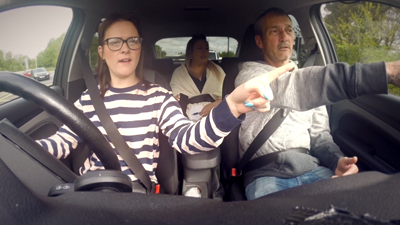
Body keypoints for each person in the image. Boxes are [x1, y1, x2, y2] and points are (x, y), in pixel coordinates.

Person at [35, 12, 399, 190]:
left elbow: (190, 138)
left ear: (140, 47)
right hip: (88, 194)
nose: (124, 48)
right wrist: (25, 149)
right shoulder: (86, 101)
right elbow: (57, 143)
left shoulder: (159, 96)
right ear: (101, 52)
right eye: (115, 42)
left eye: (132, 41)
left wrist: (231, 110)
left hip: (137, 198)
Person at [234, 7, 400, 200]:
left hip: (313, 170)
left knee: (363, 206)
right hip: (266, 175)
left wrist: (336, 161)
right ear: (259, 41)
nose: (284, 37)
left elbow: (320, 136)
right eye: (274, 31)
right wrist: (386, 71)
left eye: (289, 30)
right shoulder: (248, 76)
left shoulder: (309, 82)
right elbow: (295, 87)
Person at [170, 34, 225, 121]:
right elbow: (176, 100)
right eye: (199, 48)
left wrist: (214, 104)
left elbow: (228, 97)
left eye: (206, 48)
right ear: (191, 52)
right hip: (187, 120)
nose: (204, 51)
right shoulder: (179, 73)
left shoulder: (217, 71)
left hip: (215, 117)